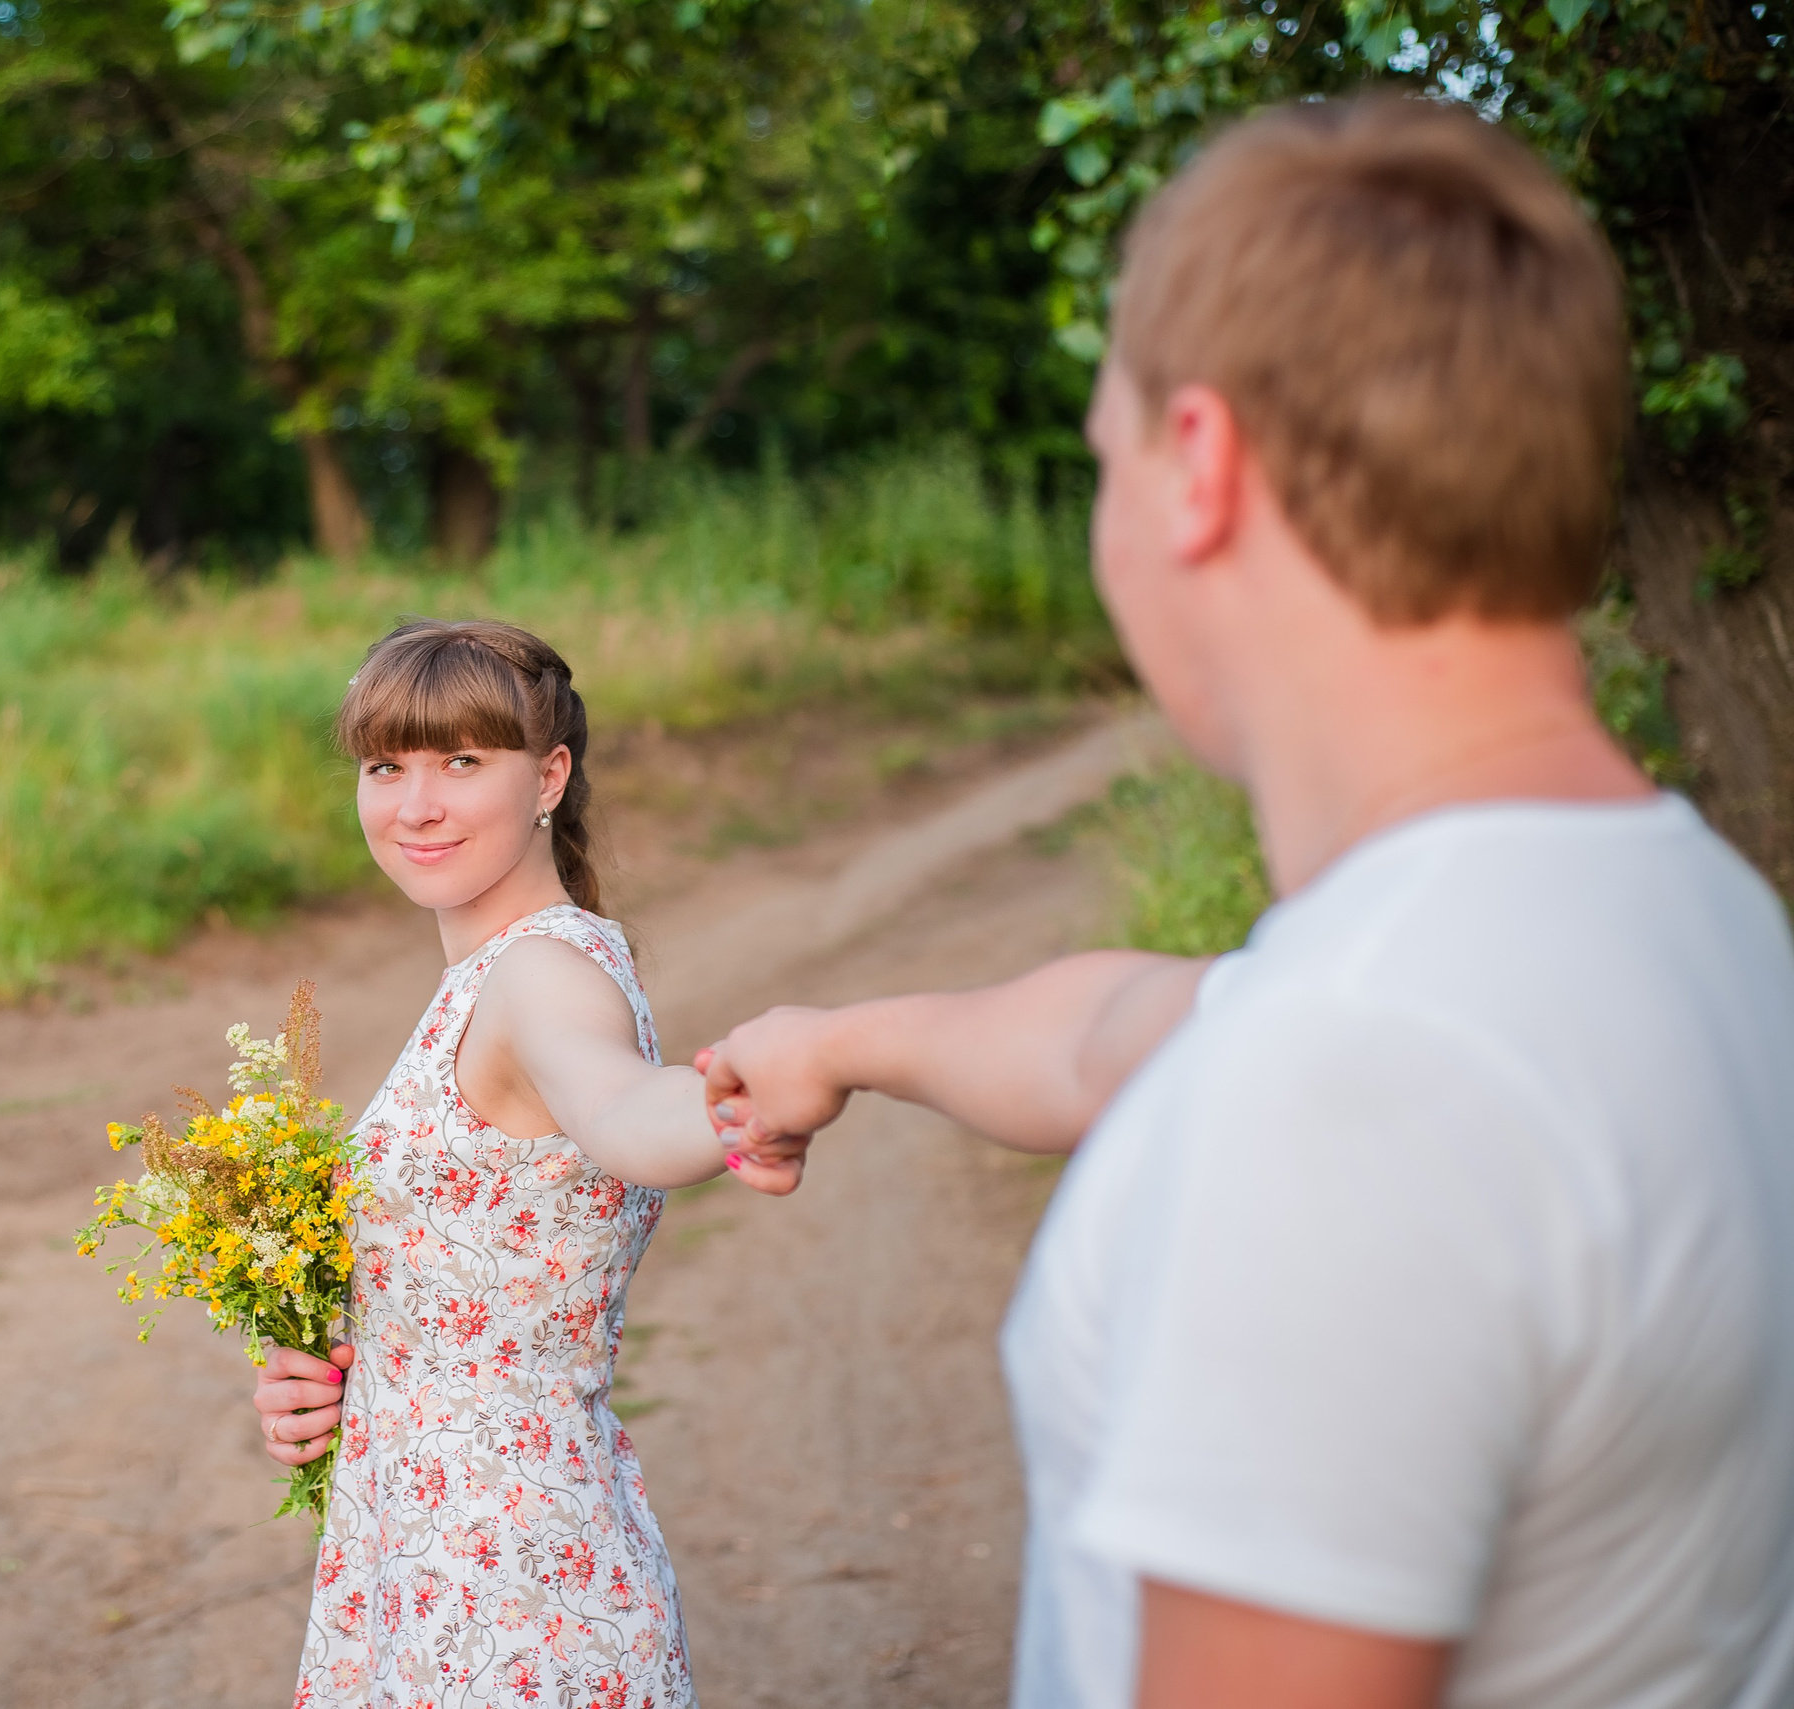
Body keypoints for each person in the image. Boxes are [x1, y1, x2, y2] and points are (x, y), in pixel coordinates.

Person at [698, 97, 1794, 1709]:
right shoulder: (1682, 911)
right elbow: (1128, 1033)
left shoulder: (1349, 1085)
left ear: (1197, 465)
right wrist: (842, 1040)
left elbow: (1283, 1066)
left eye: (1104, 462)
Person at [253, 619, 782, 1709]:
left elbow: (621, 1108)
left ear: (548, 776)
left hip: (510, 1585)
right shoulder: (491, 971)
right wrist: (330, 1367)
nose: (415, 804)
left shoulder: (543, 972)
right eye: (384, 765)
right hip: (417, 1557)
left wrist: (740, 1097)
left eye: (461, 761)